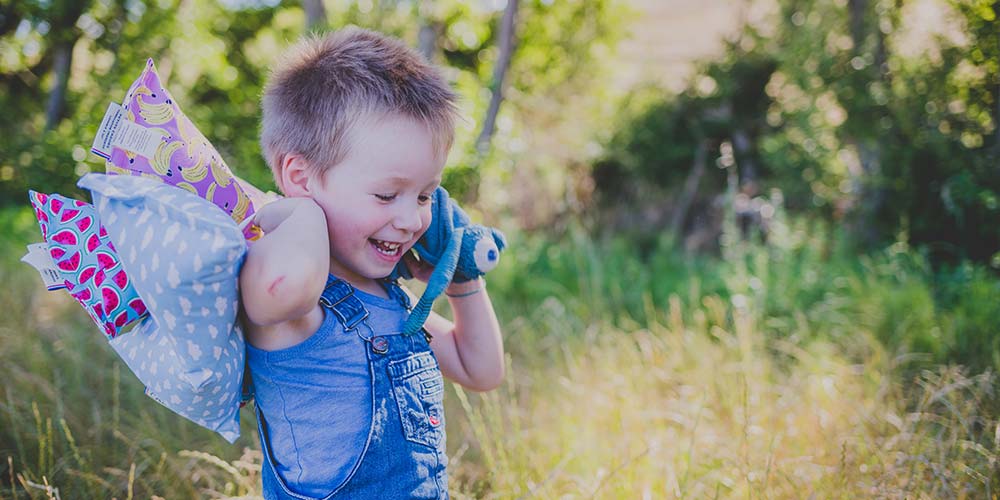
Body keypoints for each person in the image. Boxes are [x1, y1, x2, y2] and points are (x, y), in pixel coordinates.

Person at [239, 27, 505, 499]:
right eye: (387, 194)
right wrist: (301, 208)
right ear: (299, 176)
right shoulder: (293, 299)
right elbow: (284, 285)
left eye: (426, 195)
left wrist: (461, 272)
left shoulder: (391, 303)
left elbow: (481, 369)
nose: (410, 219)